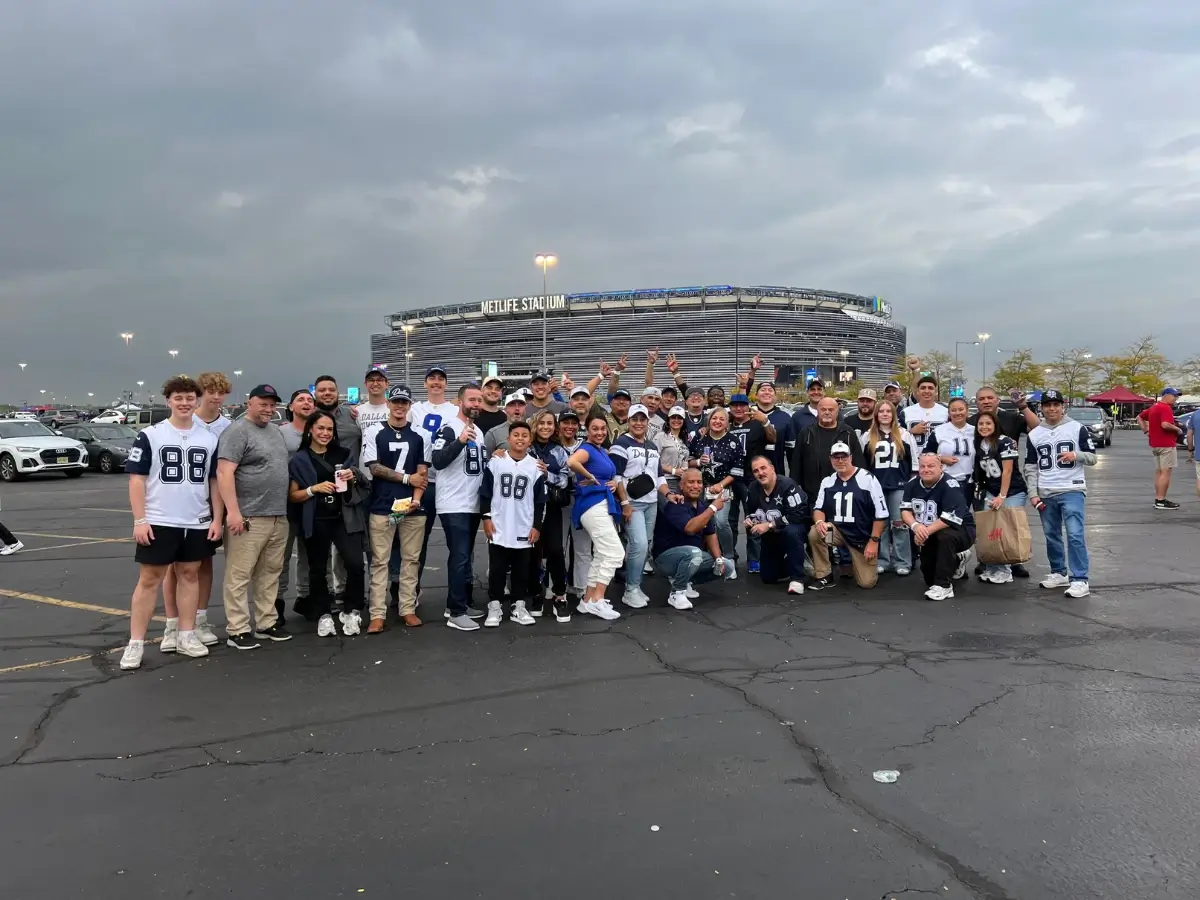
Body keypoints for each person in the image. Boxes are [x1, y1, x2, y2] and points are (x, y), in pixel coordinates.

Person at [119, 376, 223, 670]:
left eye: (190, 398)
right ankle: (135, 642)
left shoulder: (209, 438)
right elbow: (136, 480)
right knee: (150, 579)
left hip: (196, 518)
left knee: (190, 574)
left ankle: (186, 634)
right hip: (160, 519)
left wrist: (217, 518)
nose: (185, 403)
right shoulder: (151, 435)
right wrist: (140, 519)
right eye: (178, 398)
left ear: (197, 401)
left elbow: (214, 482)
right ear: (168, 401)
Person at [217, 384, 293, 649]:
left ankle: (266, 622)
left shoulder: (275, 431)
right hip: (249, 517)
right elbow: (224, 473)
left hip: (277, 515)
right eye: (263, 404)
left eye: (272, 405)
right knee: (239, 575)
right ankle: (237, 628)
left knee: (270, 573)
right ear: (250, 403)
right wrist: (234, 512)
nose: (269, 410)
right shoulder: (236, 432)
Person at [159, 370, 231, 649]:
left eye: (220, 391)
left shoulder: (226, 427)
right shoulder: (184, 421)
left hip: (208, 504)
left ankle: (198, 619)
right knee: (171, 568)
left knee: (203, 563)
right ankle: (172, 624)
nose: (215, 397)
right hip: (176, 505)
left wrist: (221, 512)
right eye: (210, 391)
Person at [286, 411, 368, 637]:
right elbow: (293, 496)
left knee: (355, 564)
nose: (325, 433)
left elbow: (361, 482)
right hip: (316, 519)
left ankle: (352, 610)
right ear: (310, 429)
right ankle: (323, 613)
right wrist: (314, 489)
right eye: (320, 428)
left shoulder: (343, 453)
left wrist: (353, 476)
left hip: (344, 518)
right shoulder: (300, 459)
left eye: (329, 429)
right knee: (318, 568)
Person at [362, 385, 428, 632]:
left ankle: (407, 608)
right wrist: (404, 479)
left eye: (404, 403)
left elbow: (422, 471)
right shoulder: (374, 431)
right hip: (382, 504)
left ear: (409, 406)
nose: (400, 407)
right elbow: (374, 468)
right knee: (380, 561)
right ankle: (377, 613)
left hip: (411, 507)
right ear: (388, 404)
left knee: (411, 561)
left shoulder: (420, 435)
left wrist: (417, 499)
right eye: (396, 402)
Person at [1023, 389, 1097, 598]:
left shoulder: (1077, 428)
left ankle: (1080, 578)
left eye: (1056, 404)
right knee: (1051, 534)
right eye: (1048, 405)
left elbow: (1092, 458)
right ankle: (1058, 572)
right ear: (1042, 408)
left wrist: (1076, 455)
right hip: (1046, 490)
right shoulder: (1035, 434)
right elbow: (1030, 466)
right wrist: (1033, 493)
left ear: (1062, 406)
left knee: (1074, 534)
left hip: (1072, 488)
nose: (1052, 409)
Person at [429, 383, 487, 631]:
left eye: (479, 400)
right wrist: (460, 441)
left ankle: (461, 602)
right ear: (460, 401)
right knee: (460, 556)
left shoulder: (479, 431)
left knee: (466, 556)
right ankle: (456, 611)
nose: (476, 404)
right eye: (472, 399)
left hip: (472, 502)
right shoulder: (449, 428)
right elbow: (438, 461)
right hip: (454, 503)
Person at [481, 421, 547, 627]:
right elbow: (485, 492)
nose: (520, 438)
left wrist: (536, 525)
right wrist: (486, 517)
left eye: (524, 435)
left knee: (521, 569)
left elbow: (539, 501)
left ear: (530, 440)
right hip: (499, 523)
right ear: (508, 439)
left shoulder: (535, 466)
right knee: (497, 568)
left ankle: (519, 605)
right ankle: (495, 604)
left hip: (523, 525)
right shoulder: (496, 462)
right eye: (516, 435)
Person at [567, 415, 629, 620]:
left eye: (603, 428)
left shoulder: (602, 450)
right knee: (615, 553)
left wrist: (610, 483)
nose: (600, 432)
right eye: (595, 429)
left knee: (602, 554)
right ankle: (598, 599)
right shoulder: (586, 449)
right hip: (592, 506)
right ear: (587, 430)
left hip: (602, 504)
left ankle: (587, 599)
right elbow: (572, 461)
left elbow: (609, 476)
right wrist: (591, 477)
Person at [806, 442, 888, 591]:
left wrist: (874, 541)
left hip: (861, 538)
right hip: (837, 532)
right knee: (816, 532)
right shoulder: (828, 481)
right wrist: (819, 522)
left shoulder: (868, 479)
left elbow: (881, 515)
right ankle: (824, 575)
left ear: (851, 457)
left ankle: (854, 563)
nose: (840, 461)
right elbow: (819, 508)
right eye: (836, 457)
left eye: (843, 456)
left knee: (866, 583)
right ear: (830, 459)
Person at [611, 404, 669, 608]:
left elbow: (659, 476)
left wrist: (669, 494)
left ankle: (635, 584)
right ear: (628, 421)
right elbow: (616, 477)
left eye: (642, 419)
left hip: (651, 502)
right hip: (632, 503)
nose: (638, 423)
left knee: (646, 545)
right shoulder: (621, 443)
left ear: (647, 422)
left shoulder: (652, 446)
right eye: (634, 419)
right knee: (639, 544)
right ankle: (631, 590)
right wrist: (625, 503)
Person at [410, 365, 460, 587]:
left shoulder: (454, 410)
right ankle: (412, 591)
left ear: (446, 384)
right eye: (432, 378)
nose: (436, 382)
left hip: (449, 484)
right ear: (425, 383)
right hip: (425, 483)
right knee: (417, 542)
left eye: (441, 378)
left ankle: (459, 594)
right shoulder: (415, 409)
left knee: (457, 545)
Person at [901, 454, 975, 601]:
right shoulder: (912, 484)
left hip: (960, 530)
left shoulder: (950, 485)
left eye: (931, 466)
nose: (926, 470)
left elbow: (949, 520)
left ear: (941, 468)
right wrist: (916, 527)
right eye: (923, 466)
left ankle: (944, 586)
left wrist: (923, 533)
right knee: (929, 576)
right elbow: (905, 510)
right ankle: (958, 559)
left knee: (945, 537)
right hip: (930, 532)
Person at [653, 468, 730, 609]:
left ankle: (685, 580)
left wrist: (719, 559)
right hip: (666, 559)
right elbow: (690, 529)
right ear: (681, 485)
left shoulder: (702, 506)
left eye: (699, 482)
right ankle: (676, 593)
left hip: (691, 557)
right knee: (694, 553)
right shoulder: (676, 504)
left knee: (728, 566)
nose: (696, 486)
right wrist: (712, 508)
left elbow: (710, 534)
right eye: (691, 482)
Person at [861, 399, 919, 576]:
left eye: (888, 411)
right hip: (876, 487)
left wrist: (910, 485)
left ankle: (902, 561)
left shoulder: (904, 435)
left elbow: (914, 462)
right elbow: (863, 465)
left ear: (893, 414)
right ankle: (882, 560)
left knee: (900, 524)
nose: (885, 414)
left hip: (899, 485)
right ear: (876, 414)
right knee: (881, 524)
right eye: (881, 411)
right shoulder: (867, 436)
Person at [973, 411, 1028, 584]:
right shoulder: (980, 444)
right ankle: (993, 568)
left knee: (1004, 530)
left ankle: (1005, 570)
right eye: (981, 424)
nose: (984, 427)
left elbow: (1008, 470)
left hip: (1011, 490)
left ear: (995, 425)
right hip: (992, 489)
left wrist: (1002, 496)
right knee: (991, 531)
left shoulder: (1005, 441)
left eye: (988, 424)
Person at [743, 455, 810, 595]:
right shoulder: (753, 488)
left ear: (772, 468)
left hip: (794, 528)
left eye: (763, 468)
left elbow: (798, 515)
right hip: (772, 535)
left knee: (791, 532)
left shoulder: (788, 486)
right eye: (756, 471)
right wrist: (750, 520)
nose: (760, 473)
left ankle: (797, 578)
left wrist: (769, 524)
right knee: (768, 577)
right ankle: (799, 560)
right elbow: (752, 512)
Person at [528, 411, 571, 621]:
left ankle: (560, 595)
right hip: (528, 508)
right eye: (542, 423)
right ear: (535, 424)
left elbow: (565, 479)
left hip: (552, 506)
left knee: (555, 549)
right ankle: (536, 592)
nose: (546, 427)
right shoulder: (526, 447)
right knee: (533, 551)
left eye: (550, 424)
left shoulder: (559, 450)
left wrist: (548, 474)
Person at [689, 407, 744, 569]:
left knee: (721, 522)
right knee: (702, 522)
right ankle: (703, 556)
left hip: (723, 488)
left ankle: (729, 557)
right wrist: (698, 462)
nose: (717, 421)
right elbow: (688, 461)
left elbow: (738, 469)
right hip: (700, 488)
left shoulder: (733, 440)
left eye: (722, 419)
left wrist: (720, 485)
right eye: (714, 418)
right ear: (709, 420)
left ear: (727, 423)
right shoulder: (700, 439)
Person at [277, 388, 315, 617]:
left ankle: (305, 596)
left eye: (310, 400)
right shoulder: (281, 433)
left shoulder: (320, 432)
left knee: (309, 554)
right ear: (291, 407)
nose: (306, 403)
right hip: (286, 501)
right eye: (300, 400)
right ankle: (277, 601)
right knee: (281, 555)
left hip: (311, 500)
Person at [727, 393, 773, 574]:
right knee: (730, 521)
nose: (739, 409)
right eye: (735, 405)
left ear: (748, 407)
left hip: (752, 480)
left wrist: (766, 422)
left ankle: (754, 559)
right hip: (730, 479)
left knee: (753, 518)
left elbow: (773, 438)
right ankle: (730, 557)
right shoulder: (726, 425)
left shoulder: (757, 424)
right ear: (730, 407)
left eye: (742, 405)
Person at [792, 397, 866, 507]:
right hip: (812, 495)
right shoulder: (806, 432)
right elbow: (796, 464)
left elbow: (859, 463)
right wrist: (796, 487)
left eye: (831, 410)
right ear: (817, 411)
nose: (827, 412)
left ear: (837, 412)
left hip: (842, 494)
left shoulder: (848, 432)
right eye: (823, 409)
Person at [1139, 387, 1183, 509]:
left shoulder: (1154, 407)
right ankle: (1161, 500)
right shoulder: (1165, 408)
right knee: (1166, 472)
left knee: (1159, 472)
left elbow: (1140, 417)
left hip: (1155, 444)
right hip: (1166, 444)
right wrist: (1178, 429)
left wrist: (1146, 430)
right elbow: (1165, 424)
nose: (1175, 398)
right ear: (1166, 395)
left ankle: (1159, 498)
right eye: (1174, 396)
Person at [926, 397, 976, 495]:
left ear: (967, 411)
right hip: (945, 481)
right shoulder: (939, 431)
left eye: (961, 409)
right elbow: (925, 454)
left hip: (969, 483)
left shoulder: (975, 431)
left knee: (964, 510)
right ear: (949, 413)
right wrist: (941, 458)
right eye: (953, 410)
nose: (957, 413)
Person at [902, 374, 949, 444]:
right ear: (917, 391)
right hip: (913, 454)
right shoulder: (905, 412)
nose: (926, 391)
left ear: (936, 392)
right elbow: (897, 438)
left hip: (939, 454)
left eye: (930, 388)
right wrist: (911, 432)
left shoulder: (946, 412)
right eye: (923, 388)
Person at [654, 406, 691, 494]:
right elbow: (653, 461)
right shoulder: (660, 437)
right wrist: (673, 471)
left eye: (680, 418)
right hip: (665, 480)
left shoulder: (684, 439)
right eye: (673, 417)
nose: (676, 420)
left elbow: (685, 460)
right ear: (668, 419)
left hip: (682, 482)